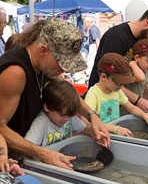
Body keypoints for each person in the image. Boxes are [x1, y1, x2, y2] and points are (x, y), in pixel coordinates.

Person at [0, 18, 110, 170]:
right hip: (12, 156)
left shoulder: (46, 67)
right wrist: (42, 153)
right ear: (43, 50)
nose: (64, 70)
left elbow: (67, 91)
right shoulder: (15, 73)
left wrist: (92, 115)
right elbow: (0, 127)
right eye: (62, 63)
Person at [88, 5, 148, 114]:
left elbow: (145, 72)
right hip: (102, 102)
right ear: (147, 22)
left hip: (122, 102)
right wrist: (138, 100)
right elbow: (109, 79)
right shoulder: (117, 38)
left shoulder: (142, 39)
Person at [85, 53, 148, 132]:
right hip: (101, 135)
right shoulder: (93, 94)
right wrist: (115, 129)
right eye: (118, 81)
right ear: (104, 77)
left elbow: (131, 107)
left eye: (123, 82)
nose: (121, 85)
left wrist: (146, 117)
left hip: (116, 132)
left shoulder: (117, 91)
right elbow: (87, 123)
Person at [125, 39, 148, 104]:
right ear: (137, 58)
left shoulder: (146, 69)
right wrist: (132, 64)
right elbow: (141, 78)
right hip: (133, 111)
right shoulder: (132, 70)